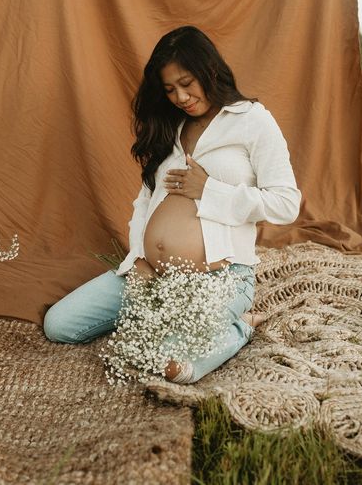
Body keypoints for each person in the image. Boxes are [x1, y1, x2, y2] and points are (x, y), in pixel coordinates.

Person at [44, 25, 301, 384]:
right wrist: (138, 259)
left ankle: (239, 328)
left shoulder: (253, 120)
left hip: (218, 278)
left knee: (170, 361)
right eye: (169, 90)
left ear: (210, 71)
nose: (180, 97)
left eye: (186, 83)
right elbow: (145, 201)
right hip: (150, 273)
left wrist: (209, 190)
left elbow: (286, 204)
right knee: (60, 325)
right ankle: (161, 316)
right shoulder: (171, 126)